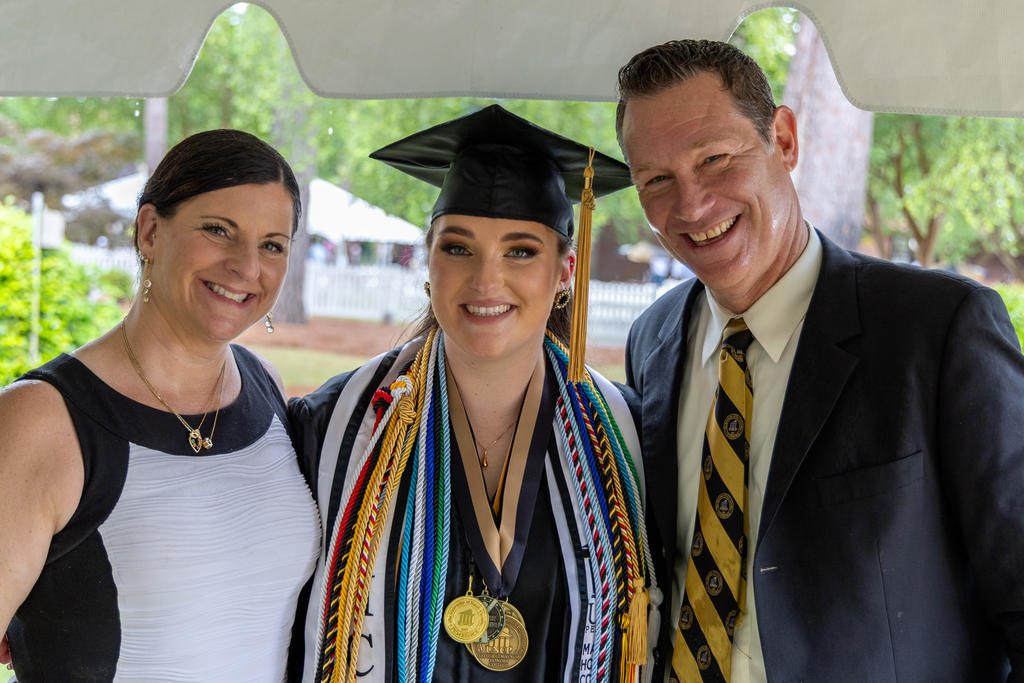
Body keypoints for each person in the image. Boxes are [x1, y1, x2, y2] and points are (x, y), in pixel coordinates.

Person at [614, 39, 1024, 682]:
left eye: (715, 159)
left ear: (783, 139)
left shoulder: (937, 332)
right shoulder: (654, 341)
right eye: (657, 180)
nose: (691, 206)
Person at [289, 104, 661, 683]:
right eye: (458, 248)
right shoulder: (337, 428)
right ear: (428, 261)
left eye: (521, 251)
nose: (487, 280)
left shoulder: (628, 437)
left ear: (565, 271)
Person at [0, 129, 321, 680]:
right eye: (219, 231)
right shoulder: (41, 419)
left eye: (272, 244)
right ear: (150, 231)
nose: (247, 266)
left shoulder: (265, 385)